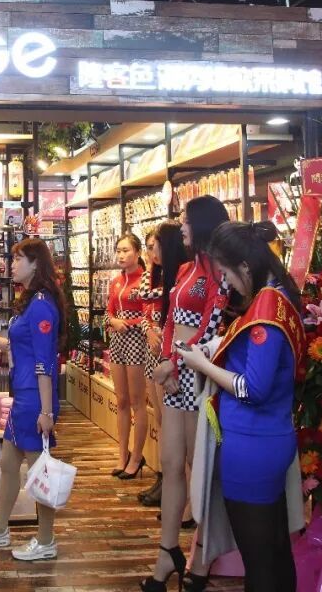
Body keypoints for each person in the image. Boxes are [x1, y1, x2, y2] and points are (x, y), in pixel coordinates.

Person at [175, 221, 304, 592]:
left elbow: (253, 388)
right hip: (268, 438)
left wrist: (202, 365)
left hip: (251, 444)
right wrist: (216, 349)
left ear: (245, 266)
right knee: (275, 551)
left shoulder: (266, 307)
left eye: (228, 274)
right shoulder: (280, 297)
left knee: (260, 561)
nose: (228, 284)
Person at [0, 237, 67, 562]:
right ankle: (0, 530)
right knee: (8, 465)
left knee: (40, 472)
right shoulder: (31, 302)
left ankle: (46, 540)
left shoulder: (42, 305)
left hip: (35, 399)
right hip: (23, 397)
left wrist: (47, 411)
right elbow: (11, 345)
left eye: (18, 259)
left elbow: (44, 362)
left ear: (35, 264)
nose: (12, 264)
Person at [144, 196, 230, 592]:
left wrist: (175, 364)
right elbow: (169, 321)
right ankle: (167, 551)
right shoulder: (183, 269)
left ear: (203, 223)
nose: (181, 227)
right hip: (176, 375)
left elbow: (211, 325)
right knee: (170, 461)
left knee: (200, 467)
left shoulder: (218, 270)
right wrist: (167, 361)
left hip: (197, 376)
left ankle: (202, 554)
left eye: (186, 220)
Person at [137, 224, 187, 508]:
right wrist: (148, 330)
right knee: (159, 416)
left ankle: (174, 483)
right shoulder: (151, 275)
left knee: (170, 421)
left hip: (170, 352)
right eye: (148, 248)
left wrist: (162, 336)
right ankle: (163, 475)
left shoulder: (180, 275)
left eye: (154, 247)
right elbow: (145, 309)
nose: (151, 253)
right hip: (153, 347)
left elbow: (175, 316)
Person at [104, 233, 153, 480]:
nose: (121, 255)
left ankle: (137, 456)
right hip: (117, 340)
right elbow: (108, 312)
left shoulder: (146, 280)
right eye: (119, 250)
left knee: (137, 401)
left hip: (137, 339)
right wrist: (113, 321)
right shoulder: (115, 281)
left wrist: (127, 323)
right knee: (121, 400)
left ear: (138, 252)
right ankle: (122, 454)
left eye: (126, 250)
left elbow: (150, 314)